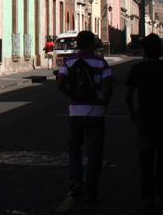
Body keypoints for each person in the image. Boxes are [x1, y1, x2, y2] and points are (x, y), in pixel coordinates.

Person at [126, 34, 163, 210]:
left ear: (143, 50)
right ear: (160, 49)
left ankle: (148, 195)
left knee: (145, 159)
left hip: (144, 119)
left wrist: (133, 113)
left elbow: (129, 95)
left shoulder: (136, 69)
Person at [57, 30, 114, 204]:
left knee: (74, 150)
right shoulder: (100, 62)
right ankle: (91, 188)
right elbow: (109, 84)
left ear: (77, 44)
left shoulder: (70, 62)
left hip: (75, 111)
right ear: (92, 44)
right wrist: (104, 102)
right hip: (96, 111)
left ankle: (75, 185)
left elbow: (60, 82)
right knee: (94, 151)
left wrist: (71, 95)